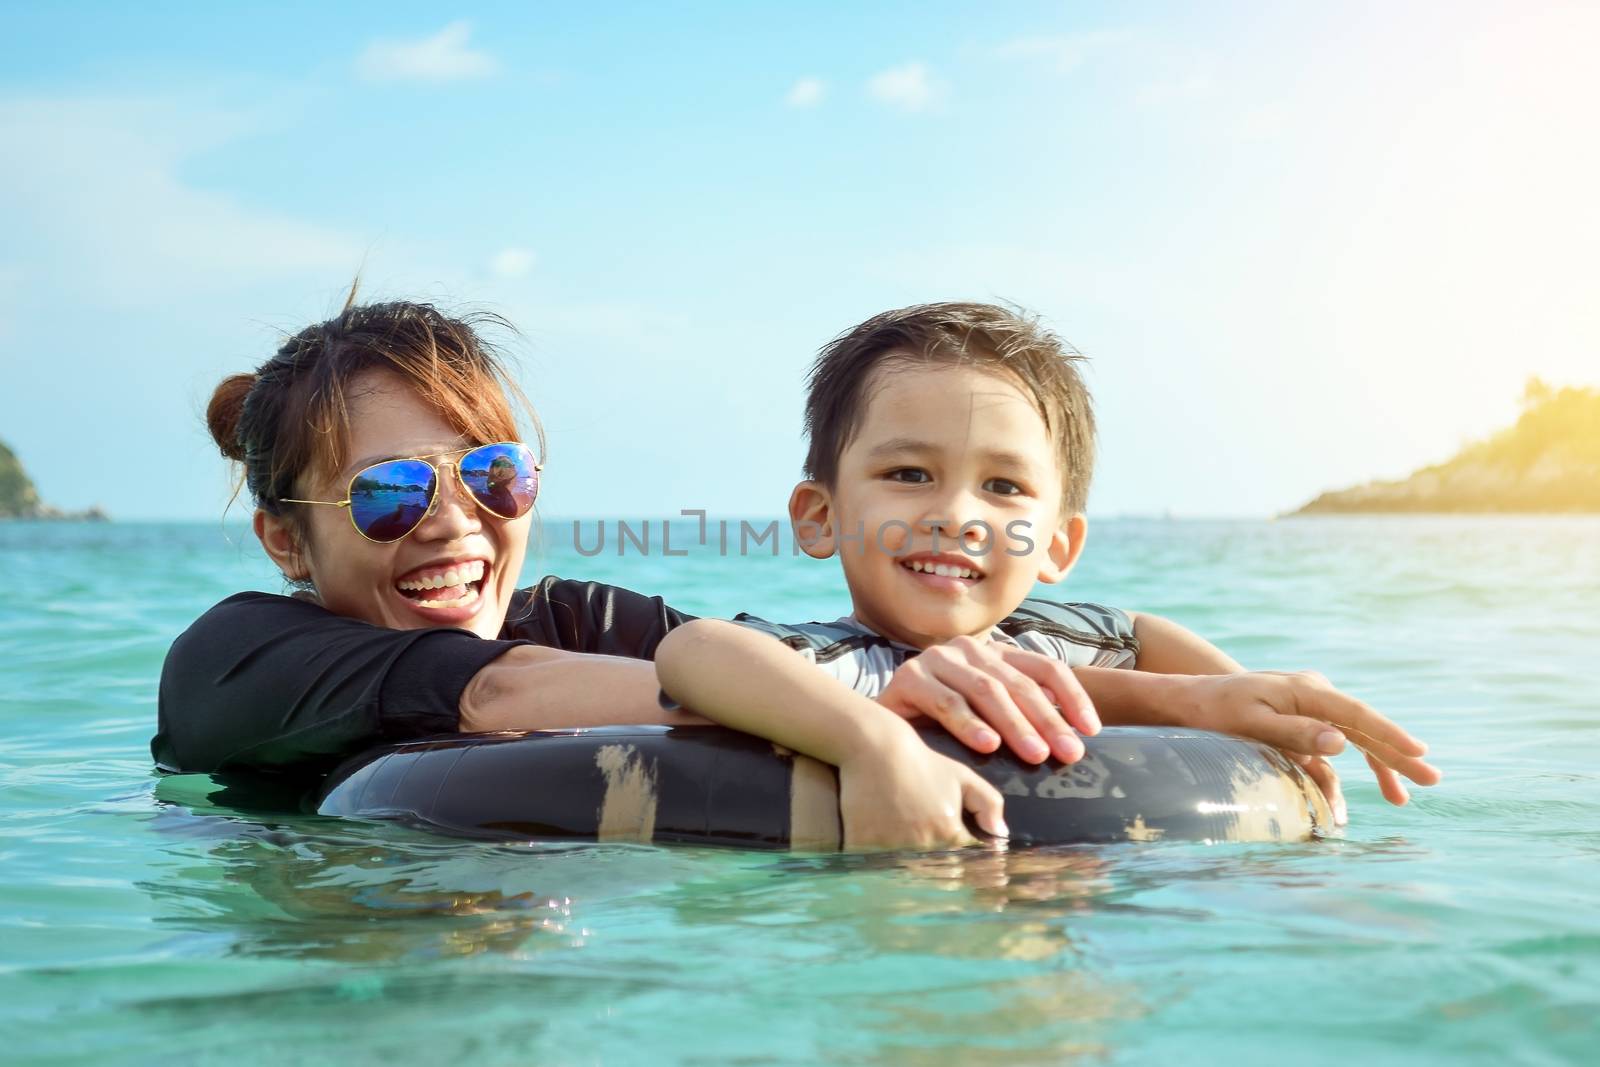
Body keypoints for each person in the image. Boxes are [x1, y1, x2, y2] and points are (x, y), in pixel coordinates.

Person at [158, 295, 1432, 850]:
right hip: (335, 945)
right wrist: (880, 738)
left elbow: (814, 669)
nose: (455, 525)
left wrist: (1201, 697)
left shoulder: (580, 610)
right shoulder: (239, 654)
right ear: (287, 537)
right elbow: (499, 698)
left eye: (493, 476)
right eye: (388, 494)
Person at [656, 303, 1441, 847]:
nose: (957, 513)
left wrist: (1257, 712)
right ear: (820, 515)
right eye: (907, 472)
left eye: (1003, 487)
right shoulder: (838, 664)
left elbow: (1140, 633)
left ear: (1060, 545)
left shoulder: (1058, 640)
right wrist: (871, 746)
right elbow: (694, 652)